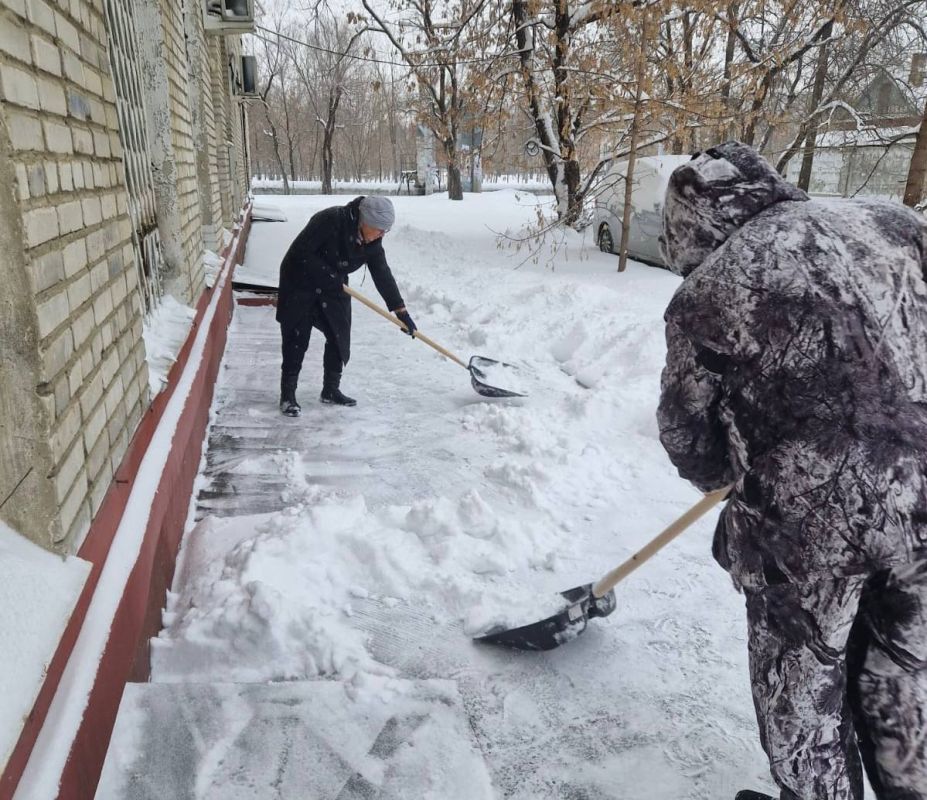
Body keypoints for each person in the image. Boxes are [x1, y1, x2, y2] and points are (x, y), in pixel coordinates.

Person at [656, 141, 927, 800]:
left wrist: (734, 479)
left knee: (802, 690)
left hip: (808, 533)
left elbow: (687, 436)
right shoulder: (892, 224)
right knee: (902, 669)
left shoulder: (707, 291)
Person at [275, 195, 416, 417]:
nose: (382, 235)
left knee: (338, 334)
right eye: (379, 229)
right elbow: (301, 253)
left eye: (384, 231)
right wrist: (328, 275)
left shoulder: (373, 241)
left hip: (334, 287)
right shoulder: (329, 220)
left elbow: (382, 273)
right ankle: (288, 395)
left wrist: (400, 310)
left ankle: (331, 390)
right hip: (299, 282)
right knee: (296, 337)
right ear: (364, 220)